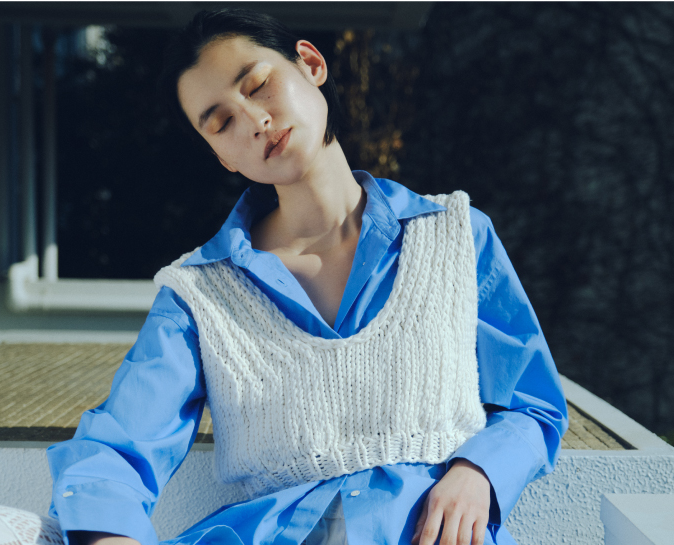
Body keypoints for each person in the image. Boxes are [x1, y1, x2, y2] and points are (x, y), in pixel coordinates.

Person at [46, 8, 568, 545]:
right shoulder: (199, 295)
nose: (254, 120)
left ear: (311, 64)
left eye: (258, 85)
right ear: (221, 155)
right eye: (221, 123)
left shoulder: (456, 237)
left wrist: (477, 472)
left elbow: (532, 403)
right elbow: (116, 447)